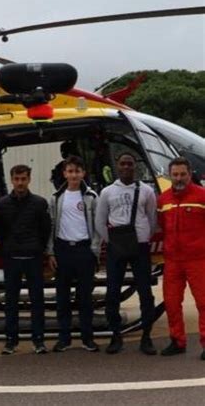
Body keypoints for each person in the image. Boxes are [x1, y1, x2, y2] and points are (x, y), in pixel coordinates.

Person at [95, 152, 157, 355]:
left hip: (140, 247)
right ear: (117, 166)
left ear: (135, 166)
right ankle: (115, 335)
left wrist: (144, 238)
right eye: (123, 164)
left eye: (130, 164)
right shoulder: (107, 192)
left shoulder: (146, 191)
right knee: (112, 292)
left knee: (145, 293)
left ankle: (146, 336)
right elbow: (100, 220)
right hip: (117, 247)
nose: (127, 167)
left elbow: (152, 218)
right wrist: (111, 241)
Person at [0, 164, 51, 355]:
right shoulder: (2, 204)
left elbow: (45, 230)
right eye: (16, 179)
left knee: (37, 301)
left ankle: (39, 340)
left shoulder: (39, 203)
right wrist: (7, 249)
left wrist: (39, 249)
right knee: (11, 302)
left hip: (33, 257)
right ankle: (11, 340)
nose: (20, 183)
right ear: (11, 180)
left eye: (23, 179)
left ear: (29, 180)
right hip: (12, 258)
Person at [48, 156, 101, 352]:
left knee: (85, 298)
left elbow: (97, 226)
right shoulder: (56, 198)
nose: (74, 175)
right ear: (64, 173)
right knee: (62, 298)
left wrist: (94, 250)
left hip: (83, 250)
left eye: (77, 171)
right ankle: (64, 338)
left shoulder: (91, 197)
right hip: (63, 250)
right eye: (70, 171)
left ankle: (88, 338)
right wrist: (51, 252)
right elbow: (52, 226)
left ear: (83, 173)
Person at [157, 157, 205, 359]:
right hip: (173, 261)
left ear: (189, 173)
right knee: (171, 302)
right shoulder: (163, 199)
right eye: (175, 174)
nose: (179, 178)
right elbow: (161, 224)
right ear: (170, 175)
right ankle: (177, 340)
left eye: (182, 174)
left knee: (203, 302)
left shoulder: (202, 196)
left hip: (198, 258)